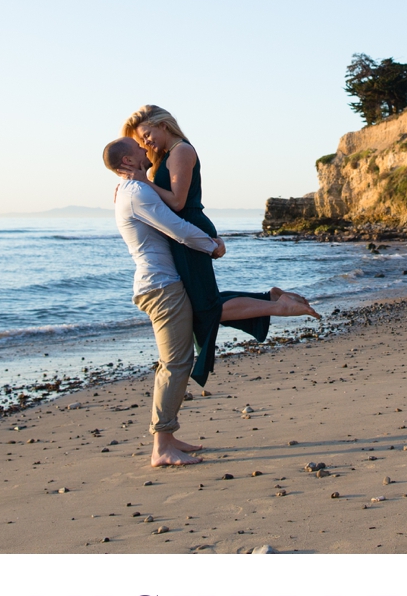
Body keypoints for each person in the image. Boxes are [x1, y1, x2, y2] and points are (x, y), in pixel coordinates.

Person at [125, 103, 320, 386]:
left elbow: (178, 201)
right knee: (202, 304)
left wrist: (144, 181)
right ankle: (271, 298)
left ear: (163, 125)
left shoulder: (182, 150)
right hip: (186, 233)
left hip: (189, 232)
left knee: (205, 308)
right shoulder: (169, 154)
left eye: (147, 134)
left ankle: (279, 306)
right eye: (141, 140)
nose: (146, 142)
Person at [104, 134, 229, 466]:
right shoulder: (136, 193)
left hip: (159, 285)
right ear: (127, 162)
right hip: (160, 287)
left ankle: (169, 436)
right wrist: (212, 245)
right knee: (175, 363)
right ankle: (162, 446)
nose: (145, 149)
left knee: (175, 361)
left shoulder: (134, 190)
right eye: (137, 149)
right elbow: (178, 229)